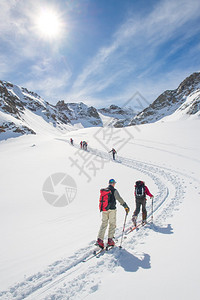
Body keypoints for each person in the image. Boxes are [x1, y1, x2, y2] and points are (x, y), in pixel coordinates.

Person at [96, 179, 130, 248]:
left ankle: (100, 240)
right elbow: (119, 198)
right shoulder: (114, 190)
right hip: (112, 210)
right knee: (112, 224)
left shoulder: (104, 191)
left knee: (104, 224)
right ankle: (110, 240)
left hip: (104, 210)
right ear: (113, 184)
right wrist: (125, 206)